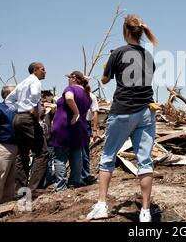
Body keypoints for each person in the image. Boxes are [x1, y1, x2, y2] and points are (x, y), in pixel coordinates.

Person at [87, 14, 157, 222]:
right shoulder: (148, 56)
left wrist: (109, 65)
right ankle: (145, 212)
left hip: (123, 110)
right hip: (146, 111)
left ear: (125, 31)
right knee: (145, 160)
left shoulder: (117, 53)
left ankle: (101, 205)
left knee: (108, 157)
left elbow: (105, 80)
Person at [5, 62, 49, 195]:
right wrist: (33, 111)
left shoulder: (22, 83)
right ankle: (34, 189)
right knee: (42, 152)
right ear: (35, 70)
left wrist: (18, 109)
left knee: (22, 154)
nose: (45, 71)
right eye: (43, 69)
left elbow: (8, 100)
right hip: (28, 119)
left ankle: (21, 190)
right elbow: (35, 96)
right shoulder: (35, 81)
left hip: (18, 118)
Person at [50, 71, 92, 191]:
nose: (68, 80)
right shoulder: (87, 94)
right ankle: (75, 181)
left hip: (64, 127)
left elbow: (69, 98)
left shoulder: (70, 88)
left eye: (69, 77)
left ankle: (61, 186)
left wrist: (75, 112)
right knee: (76, 155)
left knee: (60, 158)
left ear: (74, 79)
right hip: (78, 128)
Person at [81, 91, 99, 186]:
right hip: (80, 123)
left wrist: (95, 129)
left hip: (84, 123)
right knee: (80, 151)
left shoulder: (91, 96)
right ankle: (82, 176)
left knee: (83, 151)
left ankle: (83, 176)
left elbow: (95, 112)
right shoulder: (71, 93)